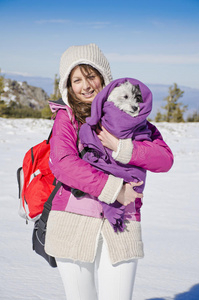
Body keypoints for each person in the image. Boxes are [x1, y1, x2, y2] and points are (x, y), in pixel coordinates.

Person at [45, 43, 173, 300]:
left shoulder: (134, 121)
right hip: (73, 220)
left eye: (90, 76)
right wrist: (115, 190)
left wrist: (123, 148)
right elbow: (63, 163)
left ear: (104, 77)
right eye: (77, 79)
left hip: (122, 222)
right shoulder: (67, 117)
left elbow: (164, 159)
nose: (85, 85)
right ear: (68, 86)